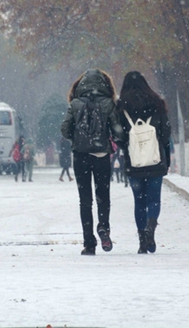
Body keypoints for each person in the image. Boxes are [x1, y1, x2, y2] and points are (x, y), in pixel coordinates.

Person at [60, 68, 124, 255]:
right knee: (103, 196)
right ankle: (103, 228)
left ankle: (89, 243)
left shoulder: (75, 104)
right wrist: (109, 136)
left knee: (85, 200)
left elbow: (64, 130)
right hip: (102, 156)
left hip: (80, 157)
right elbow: (118, 130)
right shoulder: (108, 104)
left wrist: (77, 138)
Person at [117, 70, 171, 254]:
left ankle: (142, 240)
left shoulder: (121, 106)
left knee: (139, 201)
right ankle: (151, 230)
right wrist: (165, 155)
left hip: (134, 162)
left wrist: (126, 146)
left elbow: (118, 135)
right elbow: (165, 133)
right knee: (154, 199)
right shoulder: (157, 103)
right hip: (156, 160)